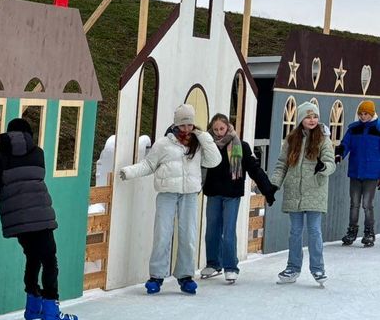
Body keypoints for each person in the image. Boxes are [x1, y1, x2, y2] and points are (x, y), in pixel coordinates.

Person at [0, 116, 78, 320]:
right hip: (41, 216)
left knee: (33, 258)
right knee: (49, 262)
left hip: (18, 221)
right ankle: (52, 314)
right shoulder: (37, 154)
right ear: (29, 136)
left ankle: (33, 310)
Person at [118, 104, 221, 295]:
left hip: (189, 194)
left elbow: (214, 161)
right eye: (183, 125)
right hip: (167, 193)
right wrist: (128, 172)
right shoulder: (164, 144)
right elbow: (148, 164)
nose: (187, 129)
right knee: (162, 234)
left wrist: (205, 136)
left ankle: (185, 276)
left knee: (188, 235)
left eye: (190, 125)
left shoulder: (198, 144)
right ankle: (156, 276)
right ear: (176, 124)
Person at [201, 112, 276, 283]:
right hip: (213, 192)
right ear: (211, 130)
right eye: (216, 129)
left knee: (228, 231)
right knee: (212, 230)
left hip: (232, 194)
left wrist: (267, 189)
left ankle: (230, 267)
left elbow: (254, 169)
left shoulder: (240, 146)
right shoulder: (207, 146)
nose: (219, 132)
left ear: (228, 127)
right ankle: (213, 263)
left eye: (222, 128)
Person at [272, 101, 336, 285]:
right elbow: (281, 164)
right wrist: (274, 185)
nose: (312, 119)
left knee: (314, 230)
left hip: (315, 190)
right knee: (295, 231)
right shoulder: (292, 140)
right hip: (294, 192)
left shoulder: (323, 139)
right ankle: (293, 267)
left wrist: (323, 166)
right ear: (301, 118)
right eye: (308, 116)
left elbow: (330, 163)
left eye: (315, 116)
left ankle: (318, 269)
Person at [338, 100, 379, 247]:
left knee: (367, 204)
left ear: (372, 113)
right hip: (355, 171)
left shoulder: (378, 129)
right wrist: (340, 153)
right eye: (361, 114)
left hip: (372, 173)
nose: (363, 117)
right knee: (354, 203)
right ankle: (352, 231)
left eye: (366, 114)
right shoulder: (353, 129)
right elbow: (345, 144)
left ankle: (369, 233)